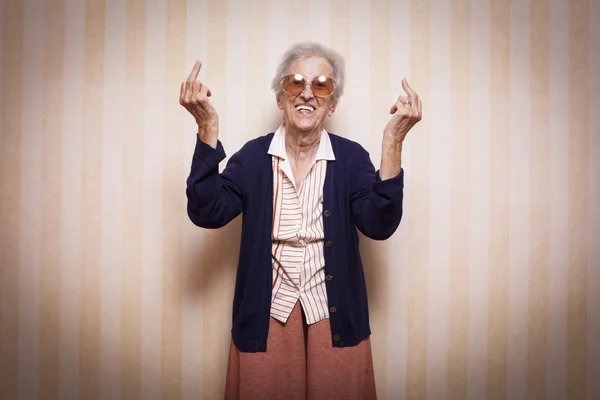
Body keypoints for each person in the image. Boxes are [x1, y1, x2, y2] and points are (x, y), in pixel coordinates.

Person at [180, 41, 422, 400]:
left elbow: (379, 224)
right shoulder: (251, 157)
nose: (307, 93)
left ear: (332, 103)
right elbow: (206, 211)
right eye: (296, 82)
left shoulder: (352, 157)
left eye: (321, 85)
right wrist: (206, 126)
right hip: (266, 310)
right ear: (281, 97)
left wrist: (393, 143)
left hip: (334, 310)